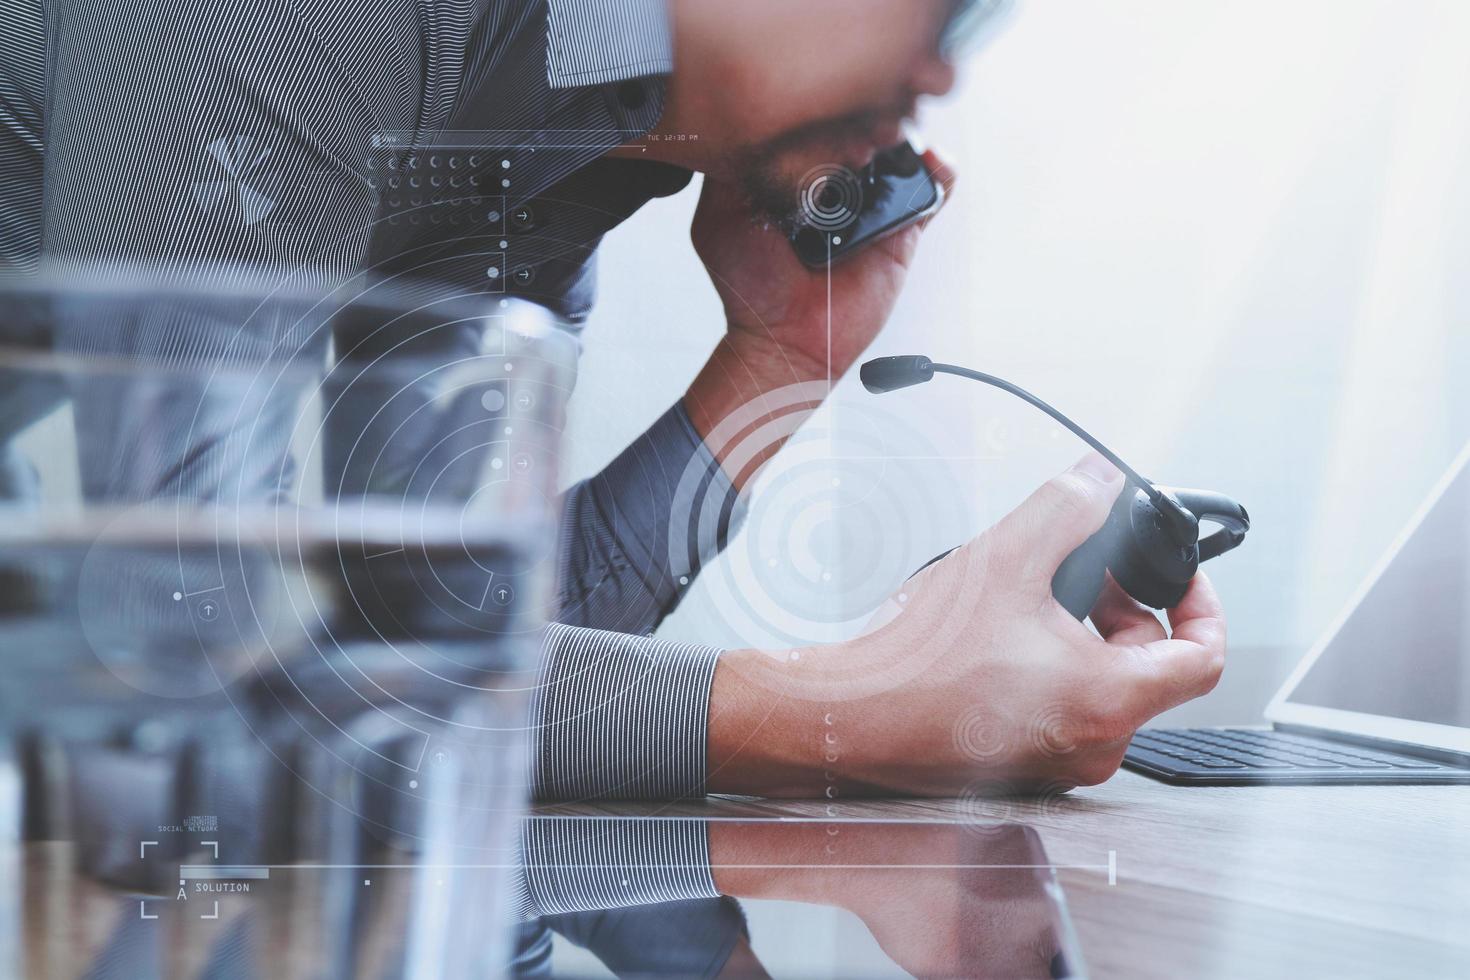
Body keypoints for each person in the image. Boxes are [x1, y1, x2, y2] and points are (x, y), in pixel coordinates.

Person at [0, 0, 1225, 804]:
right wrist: (848, 706)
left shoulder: (558, 168)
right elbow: (176, 640)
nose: (940, 66)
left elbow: (447, 647)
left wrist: (775, 363)